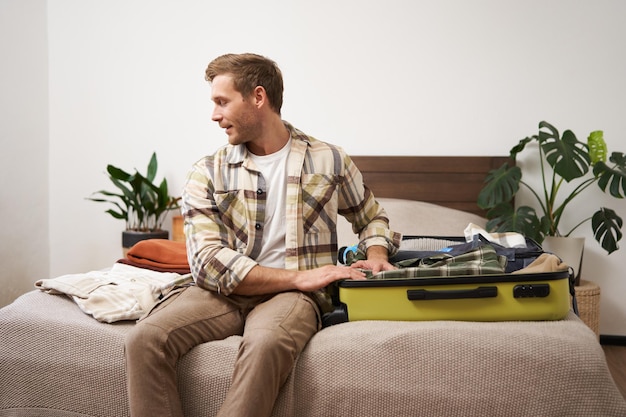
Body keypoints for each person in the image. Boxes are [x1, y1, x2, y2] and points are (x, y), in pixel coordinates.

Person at [124, 53, 401, 417]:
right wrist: (303, 277)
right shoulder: (208, 172)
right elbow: (207, 262)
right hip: (224, 292)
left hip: (293, 299)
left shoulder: (328, 160)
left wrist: (378, 255)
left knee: (266, 341)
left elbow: (372, 218)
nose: (214, 115)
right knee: (145, 338)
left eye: (222, 102)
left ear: (258, 97)